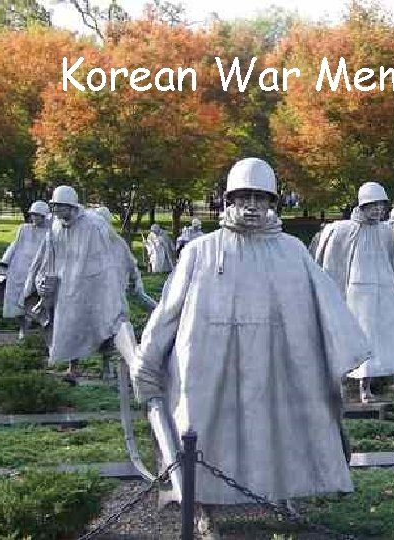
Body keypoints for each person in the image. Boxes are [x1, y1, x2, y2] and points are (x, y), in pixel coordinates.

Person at [130, 158, 370, 533]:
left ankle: (287, 494)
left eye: (261, 198)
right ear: (229, 200)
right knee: (201, 429)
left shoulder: (291, 251)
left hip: (279, 359)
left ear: (273, 202)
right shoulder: (201, 251)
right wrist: (147, 359)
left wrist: (343, 352)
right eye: (244, 197)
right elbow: (169, 310)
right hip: (209, 361)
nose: (252, 207)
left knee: (284, 426)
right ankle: (199, 505)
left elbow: (326, 305)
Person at [315, 182, 394, 403]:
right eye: (373, 205)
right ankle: (342, 383)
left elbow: (391, 262)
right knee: (354, 336)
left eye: (381, 205)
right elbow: (334, 263)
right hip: (358, 291)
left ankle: (365, 386)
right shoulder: (345, 230)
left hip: (382, 290)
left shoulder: (387, 231)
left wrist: (393, 290)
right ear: (362, 205)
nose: (378, 210)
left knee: (376, 341)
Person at [21, 186, 126, 383]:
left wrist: (110, 282)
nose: (56, 211)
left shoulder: (94, 225)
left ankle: (107, 365)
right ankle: (73, 367)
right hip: (67, 287)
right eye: (54, 207)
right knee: (68, 325)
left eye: (60, 206)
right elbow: (49, 258)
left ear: (71, 206)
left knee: (103, 323)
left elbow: (109, 255)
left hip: (96, 284)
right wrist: (43, 282)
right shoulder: (55, 227)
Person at [0, 201, 50, 340]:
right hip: (18, 270)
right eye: (33, 215)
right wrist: (4, 262)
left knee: (33, 301)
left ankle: (42, 330)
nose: (35, 218)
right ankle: (23, 328)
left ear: (44, 216)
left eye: (38, 215)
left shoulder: (50, 233)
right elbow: (14, 245)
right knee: (16, 304)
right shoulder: (24, 229)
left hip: (37, 272)